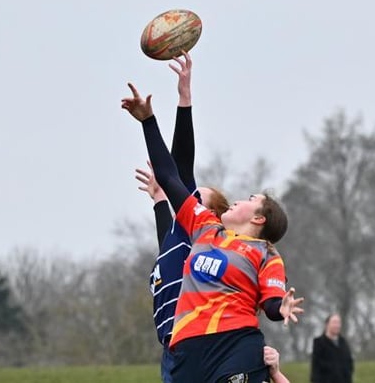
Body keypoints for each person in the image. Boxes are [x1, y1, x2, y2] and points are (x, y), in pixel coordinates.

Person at [121, 73, 304, 383]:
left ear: (259, 218)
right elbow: (170, 176)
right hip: (185, 349)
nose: (239, 200)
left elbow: (271, 302)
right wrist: (148, 121)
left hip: (234, 343)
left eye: (250, 198)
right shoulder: (204, 229)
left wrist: (280, 307)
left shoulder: (264, 253)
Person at [136, 52, 229, 383]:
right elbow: (166, 248)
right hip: (172, 353)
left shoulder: (203, 234)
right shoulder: (180, 241)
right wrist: (160, 201)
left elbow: (181, 166)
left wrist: (184, 98)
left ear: (212, 214)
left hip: (196, 347)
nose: (190, 199)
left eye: (198, 197)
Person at [310, 313, 354, 383]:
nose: (337, 325)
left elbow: (349, 364)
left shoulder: (343, 343)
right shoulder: (318, 343)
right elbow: (316, 369)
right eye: (334, 322)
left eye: (338, 323)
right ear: (327, 324)